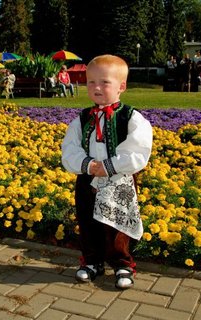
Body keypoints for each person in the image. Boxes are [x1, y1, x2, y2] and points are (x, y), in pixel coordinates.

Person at [61, 54, 153, 289]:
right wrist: (88, 165)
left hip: (119, 179)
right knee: (87, 218)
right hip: (88, 178)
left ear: (121, 86)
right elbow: (69, 148)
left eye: (104, 82)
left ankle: (122, 262)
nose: (96, 87)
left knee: (117, 221)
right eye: (91, 82)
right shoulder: (82, 119)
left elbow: (138, 148)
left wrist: (110, 166)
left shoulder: (131, 117)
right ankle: (92, 261)